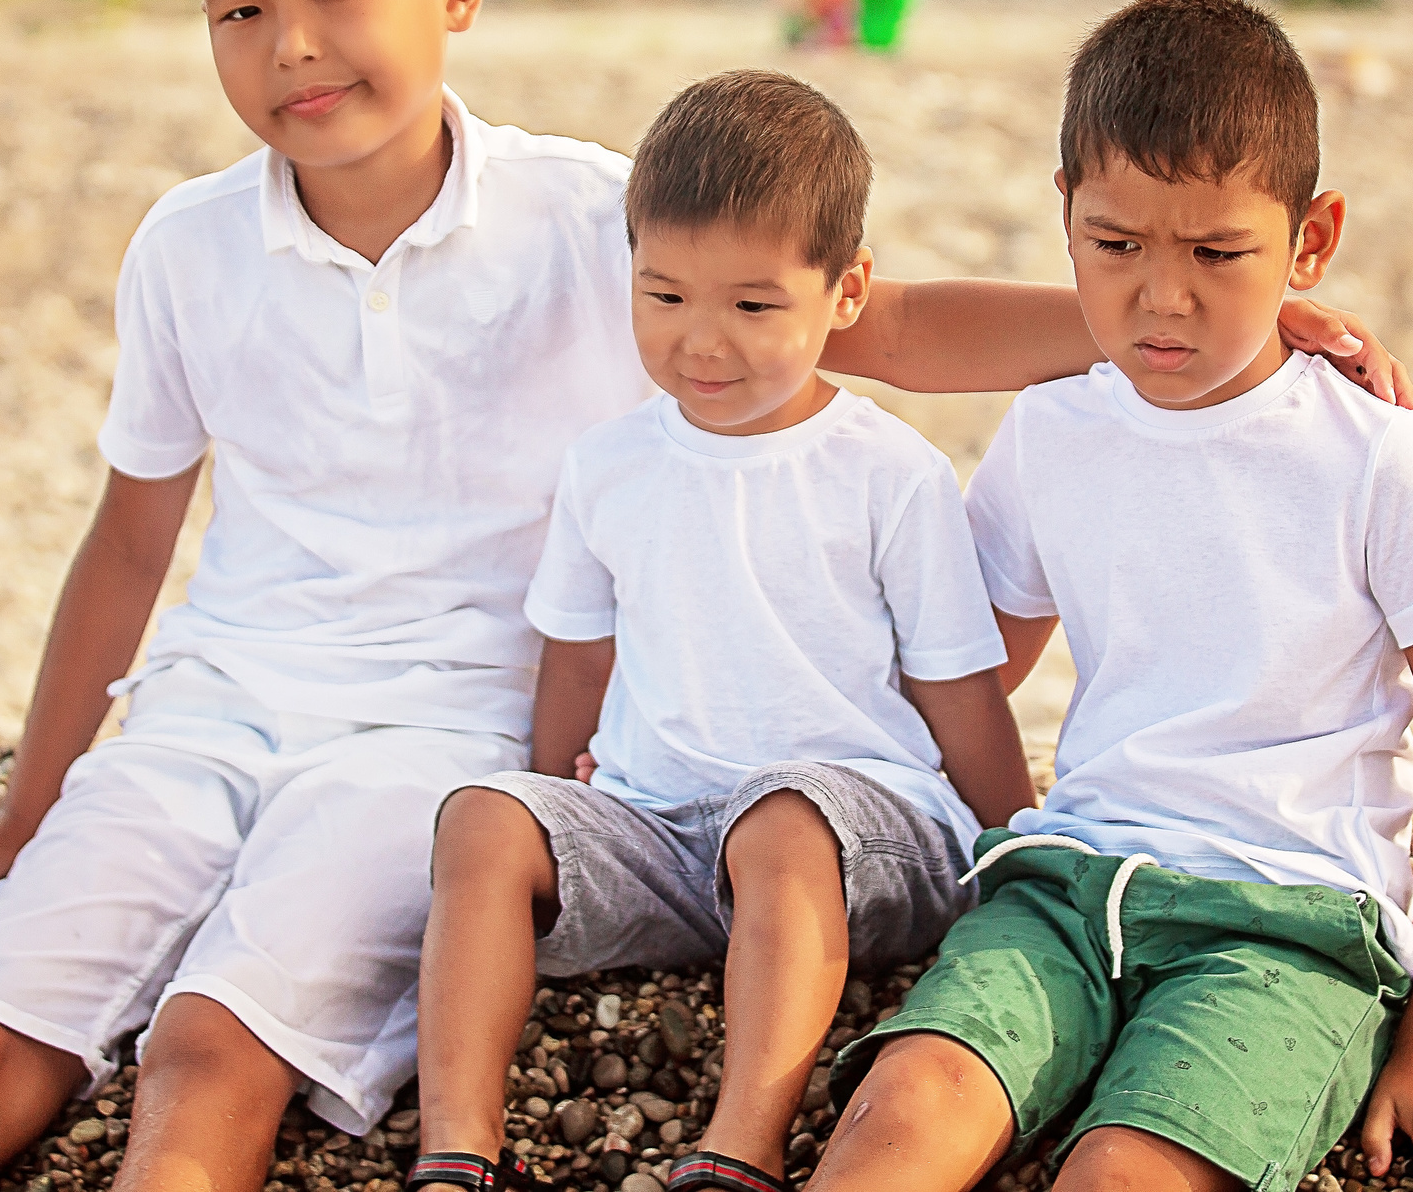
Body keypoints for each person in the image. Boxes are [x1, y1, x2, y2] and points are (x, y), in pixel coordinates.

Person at [0, 0, 1413, 1192]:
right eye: (237, 9)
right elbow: (129, 538)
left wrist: (1209, 316)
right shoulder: (184, 245)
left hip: (443, 727)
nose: (291, 43)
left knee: (203, 1063)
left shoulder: (594, 215)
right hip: (204, 707)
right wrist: (26, 810)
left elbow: (888, 321)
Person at [811, 0, 1413, 1192]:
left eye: (1218, 254)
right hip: (1065, 889)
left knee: (1119, 1175)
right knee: (901, 1117)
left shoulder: (1372, 456)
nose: (1164, 297)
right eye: (1117, 246)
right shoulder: (1052, 428)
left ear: (1311, 241)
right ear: (1064, 214)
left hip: (1291, 930)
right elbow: (962, 675)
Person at [411, 71, 1039, 1192]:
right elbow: (577, 654)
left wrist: (1023, 849)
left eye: (752, 307)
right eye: (664, 297)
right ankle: (457, 1150)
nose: (701, 341)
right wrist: (554, 796)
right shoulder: (608, 467)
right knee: (480, 819)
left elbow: (957, 688)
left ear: (844, 293)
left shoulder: (888, 472)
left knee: (783, 820)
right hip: (660, 830)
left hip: (854, 833)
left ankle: (736, 1154)